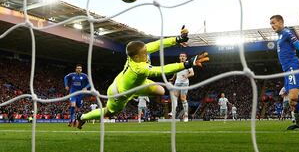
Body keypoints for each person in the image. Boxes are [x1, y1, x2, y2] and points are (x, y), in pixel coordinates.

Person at [75, 27, 209, 129]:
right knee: (109, 113)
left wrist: (177, 39)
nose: (147, 52)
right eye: (144, 52)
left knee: (161, 91)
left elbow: (158, 44)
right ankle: (82, 117)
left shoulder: (137, 54)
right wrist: (187, 64)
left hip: (137, 85)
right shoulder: (139, 68)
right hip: (120, 92)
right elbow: (162, 70)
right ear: (137, 57)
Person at [169, 52, 194, 122]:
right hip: (177, 83)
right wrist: (172, 79)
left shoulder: (188, 64)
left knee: (183, 99)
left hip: (184, 83)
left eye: (183, 56)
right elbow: (176, 72)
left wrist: (187, 76)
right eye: (181, 56)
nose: (182, 57)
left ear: (186, 58)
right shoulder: (178, 65)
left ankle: (186, 115)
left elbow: (192, 73)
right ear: (179, 57)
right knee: (174, 97)